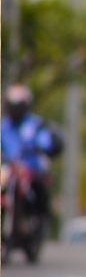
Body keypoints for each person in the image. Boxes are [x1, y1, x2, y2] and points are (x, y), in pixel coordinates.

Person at [0, 84, 59, 216]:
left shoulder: (35, 123)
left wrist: (41, 146)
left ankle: (39, 216)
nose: (16, 110)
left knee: (39, 185)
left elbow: (45, 141)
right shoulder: (3, 127)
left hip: (31, 167)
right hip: (9, 168)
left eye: (19, 106)